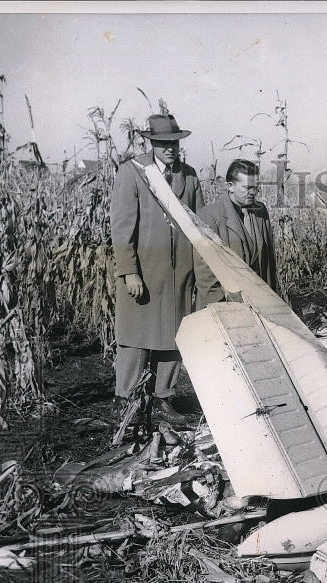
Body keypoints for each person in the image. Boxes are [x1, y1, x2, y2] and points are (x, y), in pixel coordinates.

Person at [110, 114, 205, 423]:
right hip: (145, 273)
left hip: (180, 273)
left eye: (174, 143)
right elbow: (122, 228)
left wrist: (198, 271)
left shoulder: (189, 177)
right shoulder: (133, 173)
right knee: (135, 337)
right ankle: (128, 401)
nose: (170, 149)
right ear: (151, 143)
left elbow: (199, 224)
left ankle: (164, 397)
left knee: (173, 336)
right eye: (164, 144)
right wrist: (129, 271)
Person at [195, 158, 277, 308]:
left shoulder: (261, 211)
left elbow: (269, 261)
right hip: (227, 305)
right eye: (247, 188)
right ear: (230, 186)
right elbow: (205, 273)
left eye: (256, 187)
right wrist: (220, 305)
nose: (253, 193)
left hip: (260, 302)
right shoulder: (210, 216)